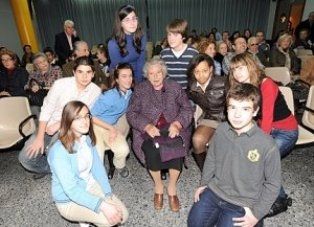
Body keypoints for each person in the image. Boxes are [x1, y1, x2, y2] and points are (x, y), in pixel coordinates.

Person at [188, 83, 281, 227]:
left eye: (245, 109)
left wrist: (257, 214)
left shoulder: (267, 144)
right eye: (232, 107)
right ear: (226, 108)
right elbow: (212, 158)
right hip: (216, 191)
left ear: (255, 111)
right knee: (194, 222)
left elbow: (273, 184)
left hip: (243, 202)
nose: (237, 114)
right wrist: (204, 183)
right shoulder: (221, 130)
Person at [229, 53, 298, 217]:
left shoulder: (266, 84)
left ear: (250, 65)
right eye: (233, 69)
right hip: (265, 129)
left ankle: (281, 200)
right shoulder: (243, 88)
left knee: (262, 160)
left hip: (286, 131)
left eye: (240, 67)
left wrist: (258, 146)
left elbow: (266, 118)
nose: (237, 72)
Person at [126, 58, 193, 212]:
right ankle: (158, 186)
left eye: (158, 73)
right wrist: (146, 126)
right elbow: (131, 113)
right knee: (151, 150)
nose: (155, 77)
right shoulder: (141, 89)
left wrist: (177, 123)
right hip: (149, 130)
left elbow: (187, 109)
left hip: (172, 126)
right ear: (146, 76)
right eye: (151, 74)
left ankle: (172, 188)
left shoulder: (174, 87)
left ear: (164, 73)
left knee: (176, 146)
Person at [48, 101, 128, 227]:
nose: (85, 121)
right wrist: (102, 205)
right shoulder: (58, 151)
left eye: (87, 116)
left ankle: (87, 215)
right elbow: (72, 190)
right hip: (68, 200)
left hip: (88, 185)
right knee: (109, 220)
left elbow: (97, 168)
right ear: (68, 121)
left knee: (122, 216)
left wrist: (107, 194)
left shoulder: (86, 138)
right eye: (78, 118)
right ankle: (84, 217)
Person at [18, 56, 101, 175]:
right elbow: (46, 110)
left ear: (93, 74)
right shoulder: (60, 85)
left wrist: (60, 124)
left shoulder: (95, 91)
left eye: (88, 72)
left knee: (55, 154)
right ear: (74, 72)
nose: (84, 76)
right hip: (48, 125)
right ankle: (54, 169)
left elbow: (84, 115)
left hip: (71, 128)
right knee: (26, 159)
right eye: (80, 72)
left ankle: (60, 166)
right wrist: (40, 138)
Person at [91, 63, 133, 179]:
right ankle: (97, 178)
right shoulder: (109, 96)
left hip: (109, 126)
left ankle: (119, 166)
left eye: (130, 76)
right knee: (98, 156)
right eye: (124, 76)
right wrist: (111, 128)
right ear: (117, 79)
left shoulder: (129, 94)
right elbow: (90, 116)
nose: (128, 79)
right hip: (95, 125)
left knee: (123, 150)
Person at [187, 54, 226, 171]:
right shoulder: (193, 87)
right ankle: (206, 172)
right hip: (210, 117)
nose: (200, 75)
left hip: (228, 119)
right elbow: (184, 100)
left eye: (204, 70)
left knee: (224, 145)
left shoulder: (224, 82)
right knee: (197, 140)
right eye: (196, 71)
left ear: (211, 69)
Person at [108, 5, 146, 83]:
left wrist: (138, 83)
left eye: (134, 18)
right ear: (121, 23)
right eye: (127, 20)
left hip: (138, 74)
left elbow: (141, 62)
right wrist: (131, 84)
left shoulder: (141, 36)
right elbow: (119, 69)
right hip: (120, 76)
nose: (132, 23)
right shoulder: (113, 43)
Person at [160, 19, 198, 90]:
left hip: (188, 93)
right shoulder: (164, 54)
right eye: (169, 35)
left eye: (175, 35)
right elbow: (163, 76)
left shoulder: (193, 53)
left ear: (183, 37)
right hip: (170, 92)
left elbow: (196, 77)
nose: (171, 38)